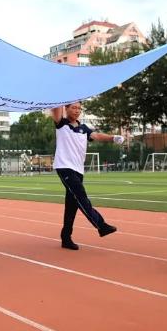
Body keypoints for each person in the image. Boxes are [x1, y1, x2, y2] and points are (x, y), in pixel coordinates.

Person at [50, 102, 123, 250]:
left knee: (72, 205)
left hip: (78, 170)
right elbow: (55, 108)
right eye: (73, 108)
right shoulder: (61, 123)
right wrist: (59, 94)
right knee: (81, 196)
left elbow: (97, 135)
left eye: (79, 108)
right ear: (66, 108)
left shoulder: (84, 129)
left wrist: (113, 138)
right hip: (65, 167)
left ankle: (66, 237)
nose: (76, 111)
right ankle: (101, 225)